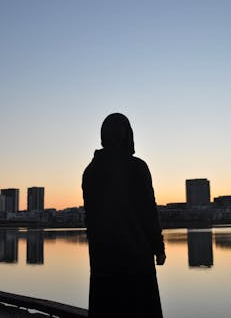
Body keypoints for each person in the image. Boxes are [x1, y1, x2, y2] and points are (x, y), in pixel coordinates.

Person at [82, 113, 166, 318]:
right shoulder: (137, 167)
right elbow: (148, 211)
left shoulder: (90, 172)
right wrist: (158, 248)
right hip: (136, 263)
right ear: (126, 135)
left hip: (103, 263)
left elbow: (90, 220)